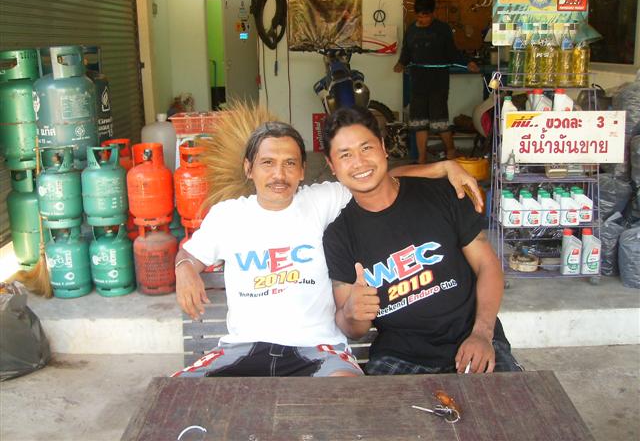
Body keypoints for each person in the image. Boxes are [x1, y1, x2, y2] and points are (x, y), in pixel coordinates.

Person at [172, 104, 482, 378]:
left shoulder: (322, 200)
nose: (279, 174)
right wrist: (184, 268)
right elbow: (189, 254)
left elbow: (374, 176)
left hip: (318, 350)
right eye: (267, 163)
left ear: (302, 171)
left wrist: (442, 167)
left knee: (348, 401)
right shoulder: (227, 216)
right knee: (176, 396)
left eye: (290, 163)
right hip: (243, 349)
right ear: (248, 168)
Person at [322, 106, 521, 375]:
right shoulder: (338, 236)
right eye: (345, 155)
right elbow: (352, 329)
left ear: (383, 148)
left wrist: (482, 333)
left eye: (366, 148)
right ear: (332, 166)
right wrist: (351, 312)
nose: (359, 162)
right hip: (399, 356)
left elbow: (487, 265)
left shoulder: (442, 194)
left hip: (472, 338)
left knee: (512, 401)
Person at [394, 0, 480, 163]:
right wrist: (401, 63)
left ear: (433, 13)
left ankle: (451, 150)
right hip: (418, 80)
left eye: (426, 16)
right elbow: (406, 51)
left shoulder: (442, 29)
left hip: (438, 80)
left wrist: (467, 62)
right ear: (416, 14)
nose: (423, 19)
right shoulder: (411, 30)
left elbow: (452, 52)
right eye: (420, 16)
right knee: (419, 120)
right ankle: (422, 159)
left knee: (439, 118)